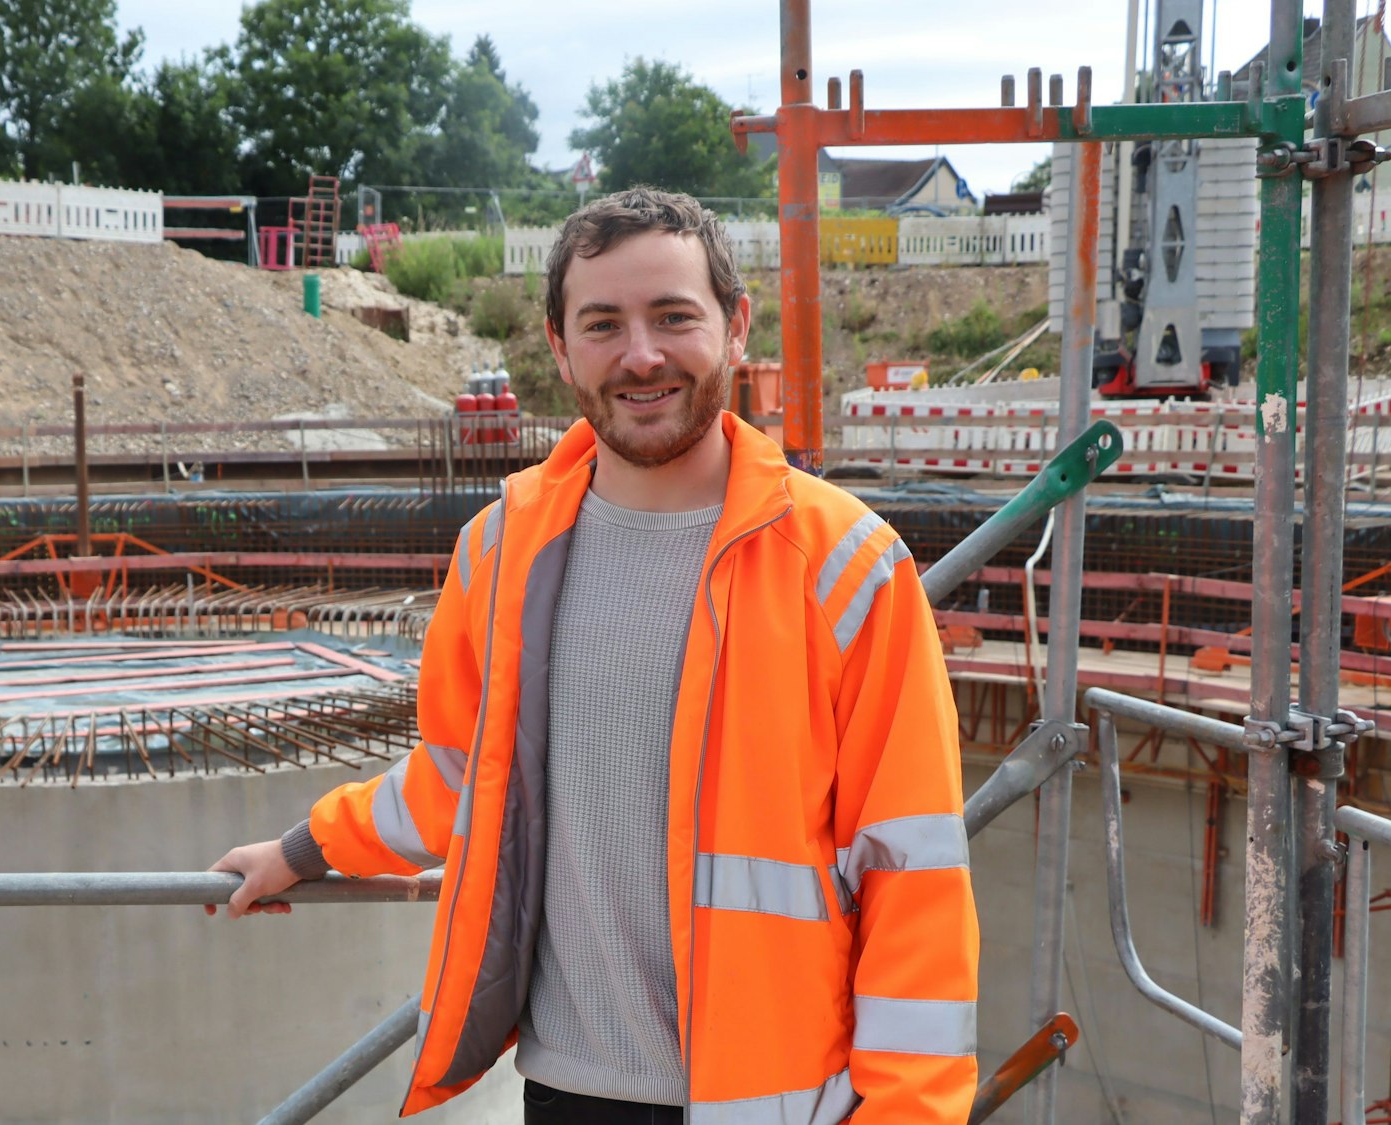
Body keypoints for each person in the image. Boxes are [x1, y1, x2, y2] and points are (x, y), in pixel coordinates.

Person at [209, 188, 978, 1124]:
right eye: (604, 323)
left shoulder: (845, 567)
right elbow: (462, 774)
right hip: (569, 1090)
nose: (641, 355)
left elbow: (914, 873)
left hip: (777, 1105)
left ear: (737, 328)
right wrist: (307, 847)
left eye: (672, 317)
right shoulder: (501, 553)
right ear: (559, 347)